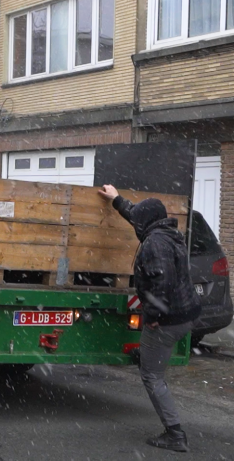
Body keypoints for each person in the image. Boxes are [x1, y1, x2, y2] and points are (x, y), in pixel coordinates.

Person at [98, 185, 201, 453]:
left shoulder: (155, 243)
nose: (136, 223)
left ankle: (175, 434)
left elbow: (162, 282)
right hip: (185, 314)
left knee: (151, 376)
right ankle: (173, 429)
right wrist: (117, 200)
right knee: (154, 368)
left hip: (167, 320)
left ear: (148, 222)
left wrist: (153, 316)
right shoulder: (167, 233)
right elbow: (137, 215)